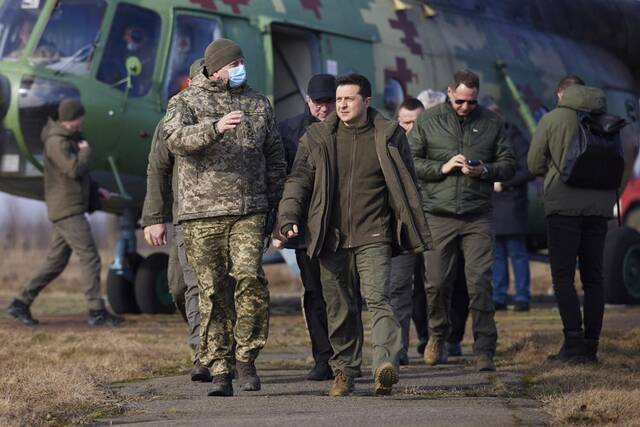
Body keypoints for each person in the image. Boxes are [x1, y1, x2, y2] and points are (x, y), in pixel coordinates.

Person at [276, 74, 431, 396]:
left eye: (349, 99)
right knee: (339, 307)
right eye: (339, 99)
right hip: (329, 236)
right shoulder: (317, 137)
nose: (342, 105)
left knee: (378, 299)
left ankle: (384, 365)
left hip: (374, 233)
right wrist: (288, 216)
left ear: (367, 101)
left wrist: (408, 225)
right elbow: (298, 180)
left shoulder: (387, 135)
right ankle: (344, 370)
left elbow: (408, 182)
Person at [164, 38, 286, 396]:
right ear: (215, 67)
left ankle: (247, 357)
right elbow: (173, 139)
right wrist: (214, 129)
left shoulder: (258, 103)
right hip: (201, 214)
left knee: (250, 278)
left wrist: (277, 207)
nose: (239, 69)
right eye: (233, 64)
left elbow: (275, 157)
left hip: (249, 211)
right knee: (213, 292)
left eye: (241, 62)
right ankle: (220, 368)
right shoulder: (185, 101)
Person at [409, 69, 515, 372]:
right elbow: (411, 160)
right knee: (437, 283)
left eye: (470, 102)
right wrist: (442, 168)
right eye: (459, 101)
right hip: (438, 214)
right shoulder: (429, 120)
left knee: (479, 283)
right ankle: (437, 336)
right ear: (449, 91)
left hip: (476, 216)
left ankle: (484, 349)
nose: (465, 107)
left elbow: (509, 164)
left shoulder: (492, 122)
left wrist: (484, 171)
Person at [6, 99, 123, 326]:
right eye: (81, 117)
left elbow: (79, 176)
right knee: (90, 256)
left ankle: (20, 303)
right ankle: (96, 311)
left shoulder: (67, 140)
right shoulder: (56, 142)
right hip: (67, 210)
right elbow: (74, 170)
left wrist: (99, 190)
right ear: (73, 118)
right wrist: (85, 153)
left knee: (55, 263)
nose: (83, 121)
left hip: (68, 208)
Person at [528, 75, 616, 363]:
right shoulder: (606, 119)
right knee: (594, 279)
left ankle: (573, 343)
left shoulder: (554, 119)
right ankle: (591, 347)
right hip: (599, 210)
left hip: (563, 208)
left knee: (563, 278)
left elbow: (533, 163)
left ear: (561, 94)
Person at [141, 59, 213, 383]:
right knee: (180, 285)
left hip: (225, 219)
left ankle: (207, 354)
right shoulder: (174, 117)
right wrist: (155, 218)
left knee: (213, 287)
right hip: (185, 216)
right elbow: (158, 168)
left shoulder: (236, 115)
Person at [277, 74, 346, 381]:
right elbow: (283, 181)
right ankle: (323, 357)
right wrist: (280, 223)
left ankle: (347, 357)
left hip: (346, 226)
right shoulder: (289, 131)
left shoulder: (352, 128)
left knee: (345, 294)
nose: (324, 107)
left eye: (329, 101)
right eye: (318, 101)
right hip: (307, 230)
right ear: (308, 101)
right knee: (315, 293)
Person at [482, 98, 534, 312]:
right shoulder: (482, 139)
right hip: (493, 205)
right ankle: (499, 295)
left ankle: (522, 296)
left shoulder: (515, 138)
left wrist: (504, 182)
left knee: (517, 253)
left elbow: (529, 169)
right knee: (497, 254)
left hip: (512, 203)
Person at [389, 97, 424, 365]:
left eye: (416, 122)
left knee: (432, 287)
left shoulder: (435, 142)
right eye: (406, 122)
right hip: (402, 226)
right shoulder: (391, 143)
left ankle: (432, 337)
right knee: (399, 286)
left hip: (432, 221)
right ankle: (397, 347)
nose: (410, 128)